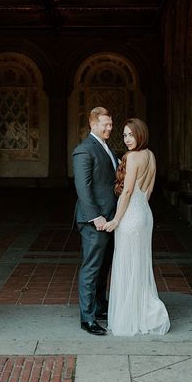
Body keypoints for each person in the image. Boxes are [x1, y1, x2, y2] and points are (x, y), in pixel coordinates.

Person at [104, 118, 170, 336]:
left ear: (140, 134)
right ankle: (143, 311)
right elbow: (148, 191)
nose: (127, 139)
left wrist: (116, 220)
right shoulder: (151, 155)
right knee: (140, 264)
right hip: (144, 214)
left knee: (127, 264)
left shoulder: (133, 157)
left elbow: (128, 191)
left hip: (130, 217)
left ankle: (130, 316)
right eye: (124, 135)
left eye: (131, 135)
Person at [72, 106, 118, 336]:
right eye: (105, 124)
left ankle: (100, 307)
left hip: (110, 219)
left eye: (110, 124)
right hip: (94, 221)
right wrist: (96, 217)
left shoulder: (106, 148)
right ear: (93, 124)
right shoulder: (84, 150)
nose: (109, 127)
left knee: (103, 267)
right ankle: (87, 318)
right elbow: (83, 188)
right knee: (91, 268)